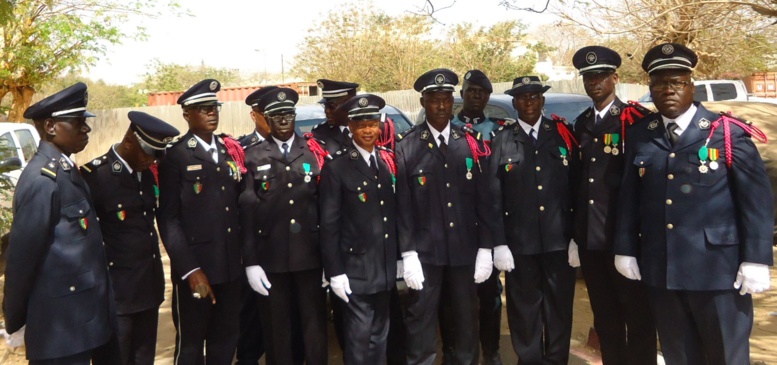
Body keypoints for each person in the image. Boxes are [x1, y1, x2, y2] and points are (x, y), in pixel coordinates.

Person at [614, 43, 773, 365]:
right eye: (660, 84)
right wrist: (626, 247)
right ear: (650, 89)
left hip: (718, 271)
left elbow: (755, 201)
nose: (668, 91)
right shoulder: (641, 134)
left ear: (691, 86)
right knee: (679, 355)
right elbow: (630, 197)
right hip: (663, 269)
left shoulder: (725, 133)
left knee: (725, 355)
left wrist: (756, 258)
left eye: (677, 82)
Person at [3, 82, 119, 364]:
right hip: (59, 328)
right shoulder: (42, 180)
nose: (86, 128)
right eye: (78, 122)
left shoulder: (65, 169)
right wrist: (15, 321)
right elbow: (22, 259)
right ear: (51, 126)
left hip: (80, 319)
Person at [396, 68, 498, 365]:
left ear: (452, 101)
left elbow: (485, 200)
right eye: (433, 99)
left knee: (467, 321)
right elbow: (402, 205)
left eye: (445, 99)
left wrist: (485, 248)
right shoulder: (406, 146)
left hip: (464, 251)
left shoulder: (471, 143)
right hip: (425, 254)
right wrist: (408, 253)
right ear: (423, 102)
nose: (441, 106)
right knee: (421, 323)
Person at [570, 45, 657, 365]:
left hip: (626, 239)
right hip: (592, 239)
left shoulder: (636, 121)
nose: (594, 83)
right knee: (605, 317)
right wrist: (576, 235)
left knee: (638, 317)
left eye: (600, 76)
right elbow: (580, 184)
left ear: (615, 78)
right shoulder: (581, 123)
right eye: (588, 78)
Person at [489, 76, 578, 365]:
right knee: (524, 310)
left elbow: (578, 189)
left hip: (559, 241)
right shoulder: (502, 140)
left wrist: (576, 236)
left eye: (534, 96)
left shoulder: (564, 134)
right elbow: (493, 195)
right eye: (522, 97)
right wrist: (499, 243)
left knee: (559, 308)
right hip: (520, 243)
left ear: (542, 100)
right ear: (514, 103)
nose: (529, 102)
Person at [81, 111, 179, 365]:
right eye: (148, 153)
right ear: (129, 142)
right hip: (116, 295)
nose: (153, 161)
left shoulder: (145, 174)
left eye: (158, 154)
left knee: (143, 359)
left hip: (148, 288)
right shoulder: (96, 177)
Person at [157, 79, 245, 364]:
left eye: (214, 107)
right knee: (192, 345)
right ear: (186, 114)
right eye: (203, 108)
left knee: (226, 339)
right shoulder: (176, 156)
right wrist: (190, 269)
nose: (211, 113)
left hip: (230, 266)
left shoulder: (228, 150)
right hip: (198, 268)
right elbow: (168, 219)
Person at [240, 87, 329, 365]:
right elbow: (247, 212)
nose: (282, 120)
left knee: (314, 330)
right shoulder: (252, 156)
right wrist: (251, 262)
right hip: (271, 259)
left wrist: (330, 261)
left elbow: (326, 209)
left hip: (310, 256)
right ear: (265, 118)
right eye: (275, 115)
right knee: (278, 333)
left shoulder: (313, 151)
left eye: (288, 114)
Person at [319, 94, 398, 365]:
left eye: (373, 123)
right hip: (355, 271)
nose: (368, 130)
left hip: (384, 268)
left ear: (380, 125)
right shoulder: (336, 167)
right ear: (350, 127)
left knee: (379, 338)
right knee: (358, 340)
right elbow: (329, 225)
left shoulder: (386, 162)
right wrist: (335, 272)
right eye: (361, 124)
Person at [441, 69, 504, 365]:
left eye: (481, 92)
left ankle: (491, 350)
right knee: (451, 296)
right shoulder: (447, 128)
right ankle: (452, 350)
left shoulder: (499, 130)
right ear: (462, 94)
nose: (475, 96)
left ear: (488, 97)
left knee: (490, 294)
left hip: (488, 223)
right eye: (470, 91)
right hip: (455, 225)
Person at [311, 79, 359, 157]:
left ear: (349, 103)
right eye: (325, 106)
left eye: (332, 106)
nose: (327, 111)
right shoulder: (320, 132)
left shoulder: (371, 128)